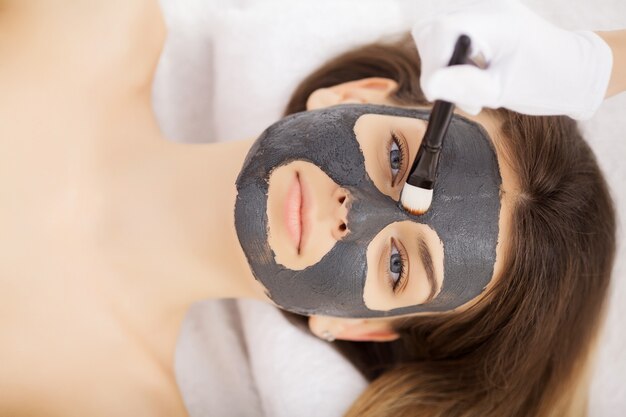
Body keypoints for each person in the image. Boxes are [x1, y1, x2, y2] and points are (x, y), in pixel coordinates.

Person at [0, 2, 616, 417]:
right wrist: (600, 66)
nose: (358, 212)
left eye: (399, 265)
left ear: (356, 326)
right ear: (355, 97)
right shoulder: (94, 22)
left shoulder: (113, 403)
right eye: (398, 161)